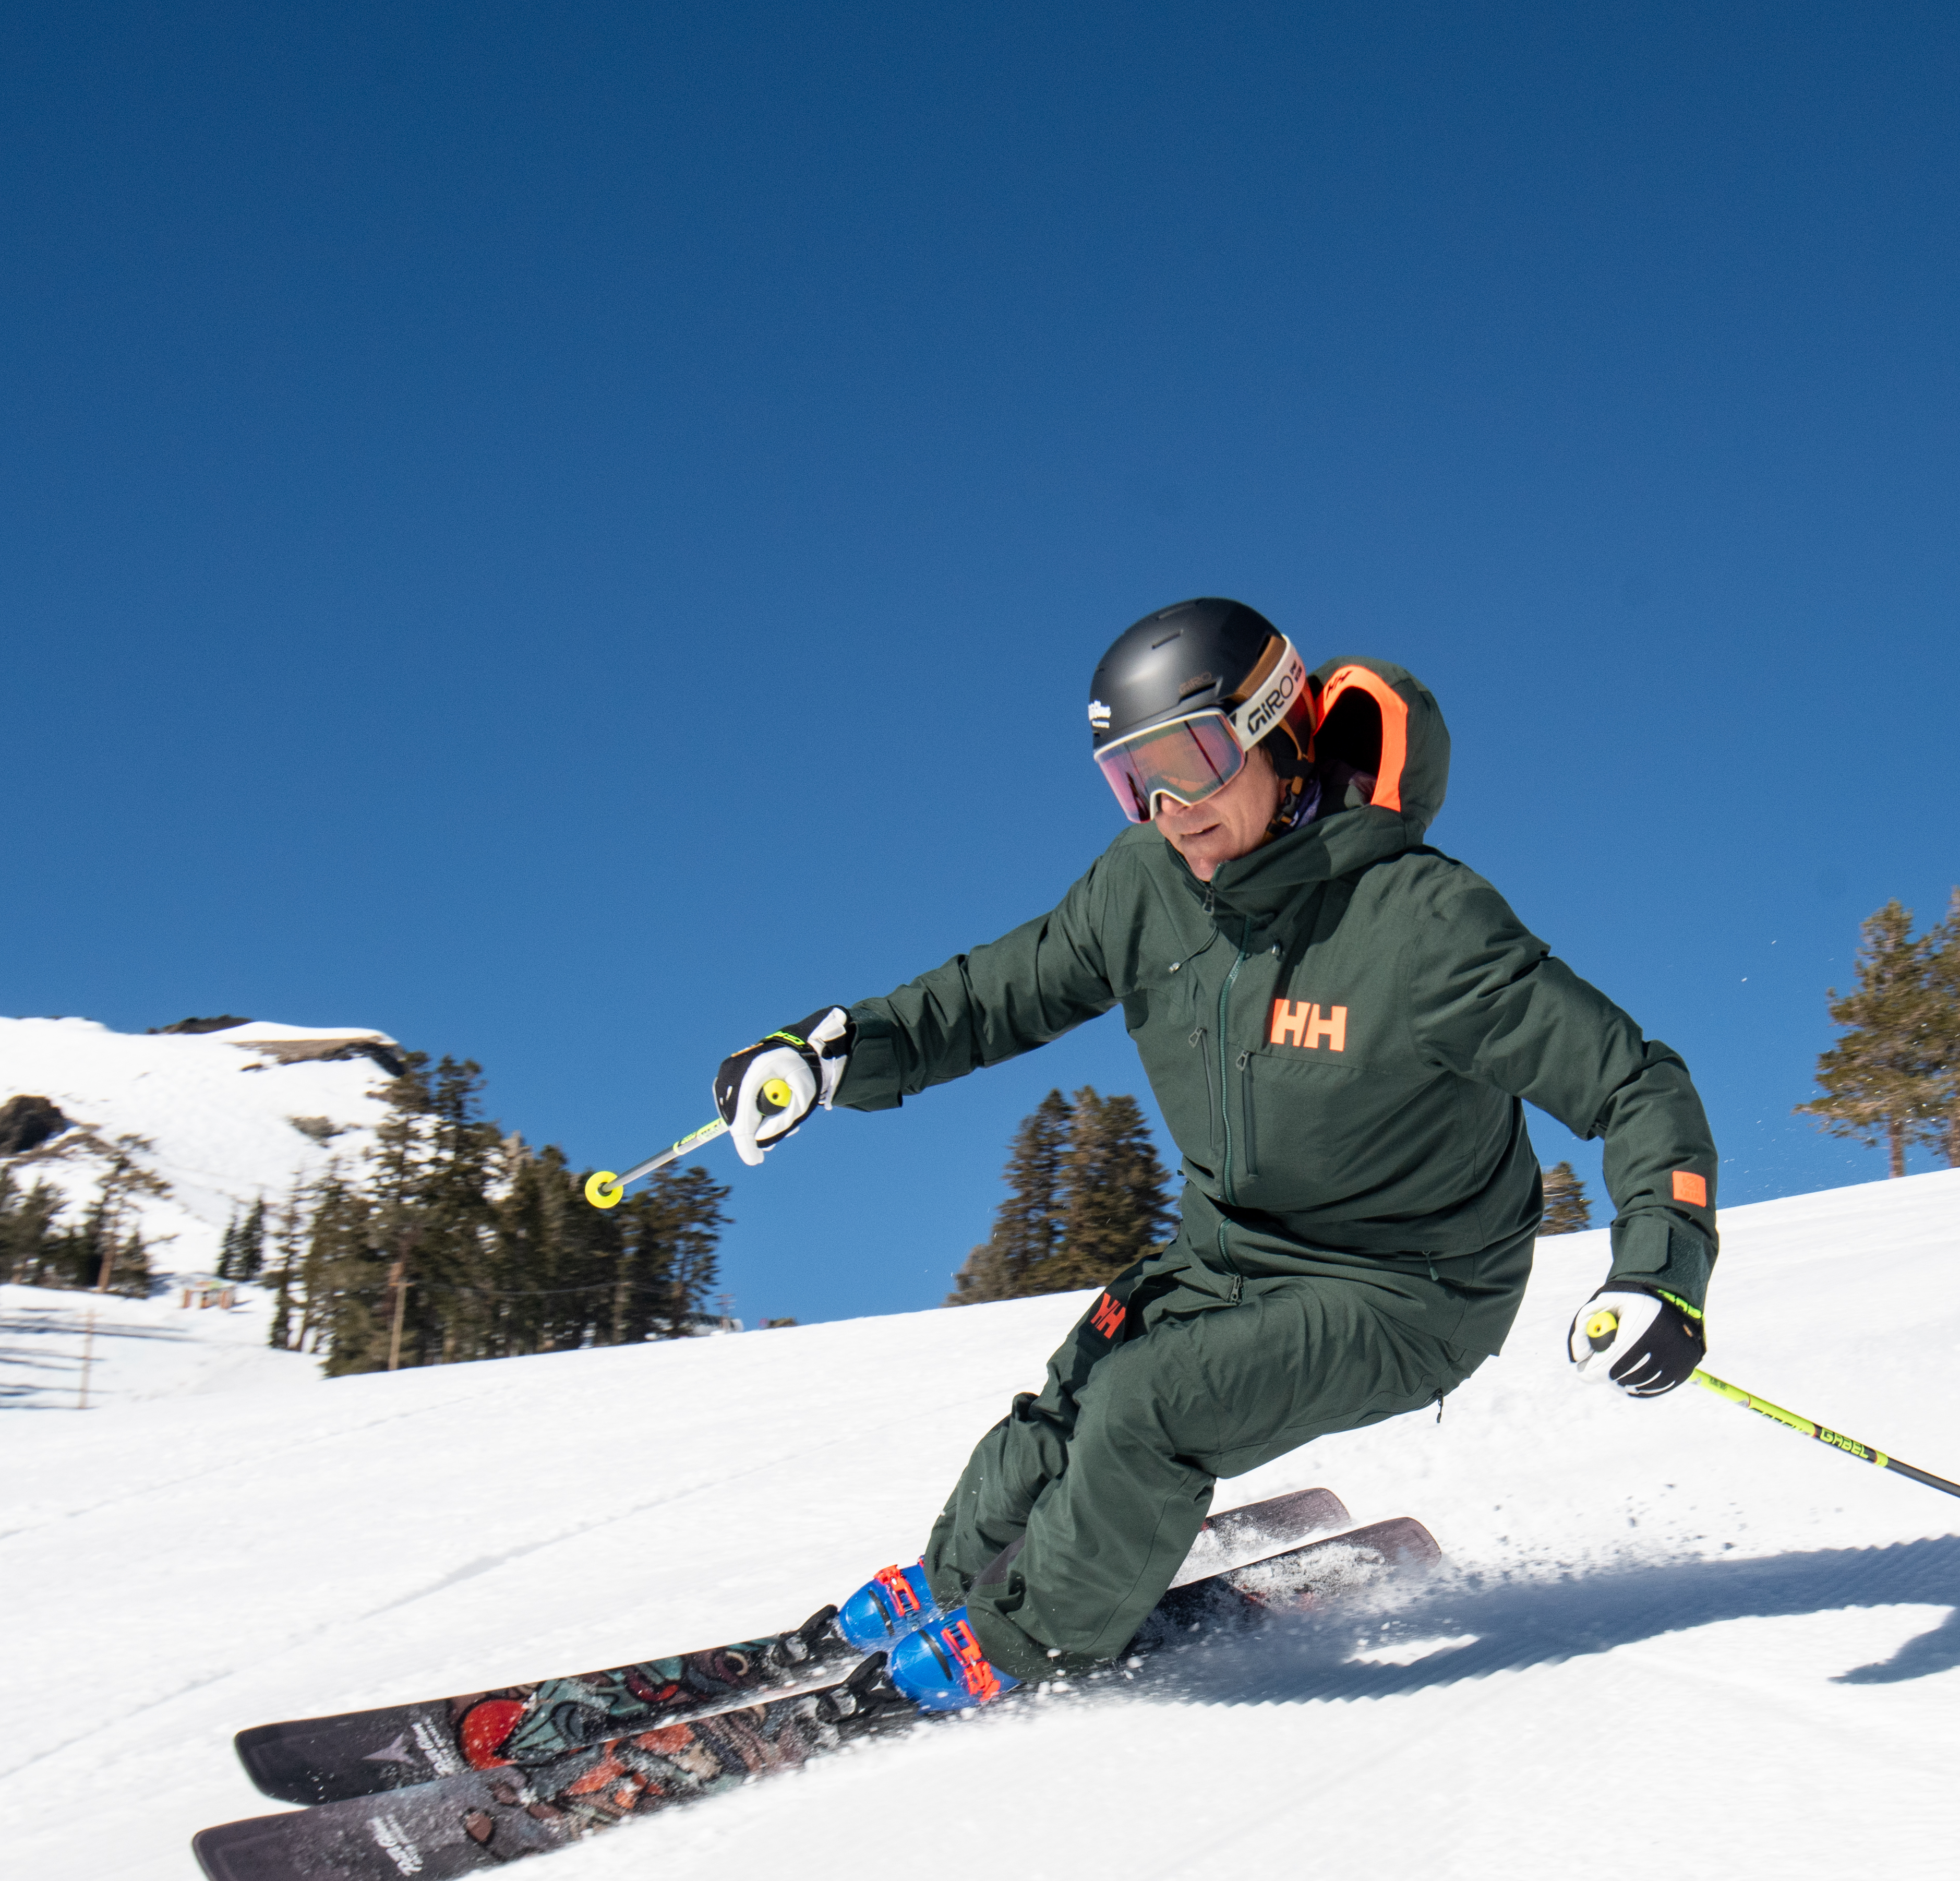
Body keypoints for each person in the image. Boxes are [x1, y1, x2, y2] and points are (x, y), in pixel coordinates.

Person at [714, 596, 1719, 1718]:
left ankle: (1025, 1643)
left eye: (1189, 760)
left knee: (1149, 1404)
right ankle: (955, 1578)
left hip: (1408, 1287)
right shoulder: (1143, 888)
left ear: (1276, 729)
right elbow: (993, 995)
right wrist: (835, 1055)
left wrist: (1659, 1269)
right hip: (1229, 1250)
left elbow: (1634, 1081)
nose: (1167, 809)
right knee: (1077, 1389)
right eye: (1129, 779)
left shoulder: (1422, 925)